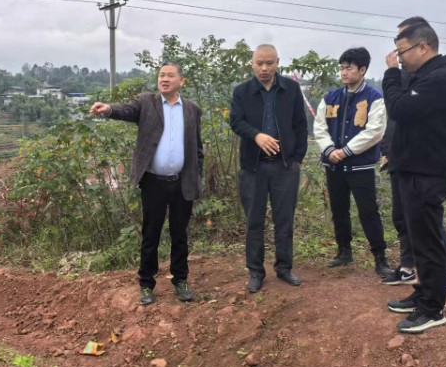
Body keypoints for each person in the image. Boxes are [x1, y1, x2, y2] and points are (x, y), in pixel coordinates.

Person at [90, 62, 204, 306]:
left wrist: (197, 176)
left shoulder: (192, 110)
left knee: (179, 234)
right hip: (154, 182)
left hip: (182, 182)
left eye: (170, 75)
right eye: (161, 75)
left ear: (181, 81)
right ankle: (146, 284)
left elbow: (197, 148)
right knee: (150, 234)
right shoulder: (146, 102)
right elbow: (126, 110)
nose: (164, 79)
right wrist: (108, 109)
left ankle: (180, 280)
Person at [382, 21, 446, 333]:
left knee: (428, 241)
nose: (399, 58)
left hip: (428, 172)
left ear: (423, 47)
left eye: (402, 51)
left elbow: (399, 108)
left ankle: (433, 309)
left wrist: (390, 75)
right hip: (412, 168)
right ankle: (423, 294)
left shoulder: (441, 78)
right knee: (418, 239)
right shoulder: (425, 76)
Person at [230, 44, 308, 293]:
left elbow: (300, 125)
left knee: (284, 220)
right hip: (253, 168)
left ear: (277, 63)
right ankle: (256, 271)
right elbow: (236, 121)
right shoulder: (242, 91)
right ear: (252, 64)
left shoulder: (291, 89)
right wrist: (257, 136)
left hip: (285, 167)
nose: (264, 68)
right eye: (259, 63)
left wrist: (296, 159)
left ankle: (284, 268)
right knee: (254, 221)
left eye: (269, 63)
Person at [314, 47, 391, 277]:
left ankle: (380, 258)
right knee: (339, 210)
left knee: (368, 211)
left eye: (349, 68)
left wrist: (346, 151)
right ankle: (344, 252)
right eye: (342, 68)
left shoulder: (375, 99)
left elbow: (375, 131)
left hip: (360, 166)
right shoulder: (330, 98)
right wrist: (329, 150)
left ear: (363, 70)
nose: (344, 73)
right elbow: (319, 126)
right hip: (334, 165)